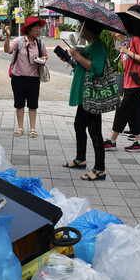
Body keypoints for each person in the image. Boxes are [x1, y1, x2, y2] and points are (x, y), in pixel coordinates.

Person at [58, 19, 108, 181]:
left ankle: (100, 169)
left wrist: (78, 56)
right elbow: (82, 66)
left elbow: (96, 68)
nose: (79, 28)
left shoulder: (98, 45)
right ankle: (81, 159)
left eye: (82, 26)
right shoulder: (90, 46)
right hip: (84, 94)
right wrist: (69, 59)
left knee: (94, 130)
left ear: (91, 30)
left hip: (91, 95)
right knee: (79, 125)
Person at [103, 5, 140, 152]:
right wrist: (120, 44)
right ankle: (139, 142)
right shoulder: (126, 43)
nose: (113, 31)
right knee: (132, 112)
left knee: (122, 111)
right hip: (131, 83)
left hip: (138, 83)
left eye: (115, 29)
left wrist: (128, 52)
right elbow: (121, 52)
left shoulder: (135, 40)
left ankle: (112, 140)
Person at [4, 16, 48, 138]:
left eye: (39, 27)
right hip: (18, 78)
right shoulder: (19, 41)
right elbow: (7, 50)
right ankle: (20, 127)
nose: (38, 29)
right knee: (19, 104)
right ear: (28, 29)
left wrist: (43, 59)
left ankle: (33, 128)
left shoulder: (40, 43)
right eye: (35, 27)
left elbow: (45, 55)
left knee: (33, 104)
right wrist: (8, 37)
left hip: (34, 79)